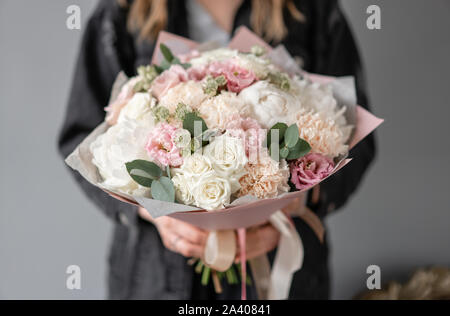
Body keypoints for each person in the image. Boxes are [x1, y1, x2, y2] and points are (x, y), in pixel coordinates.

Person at [58, 0, 376, 299]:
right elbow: (82, 137)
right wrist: (151, 211)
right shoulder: (123, 11)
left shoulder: (313, 9)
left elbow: (356, 142)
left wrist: (295, 200)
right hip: (156, 275)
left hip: (282, 269)